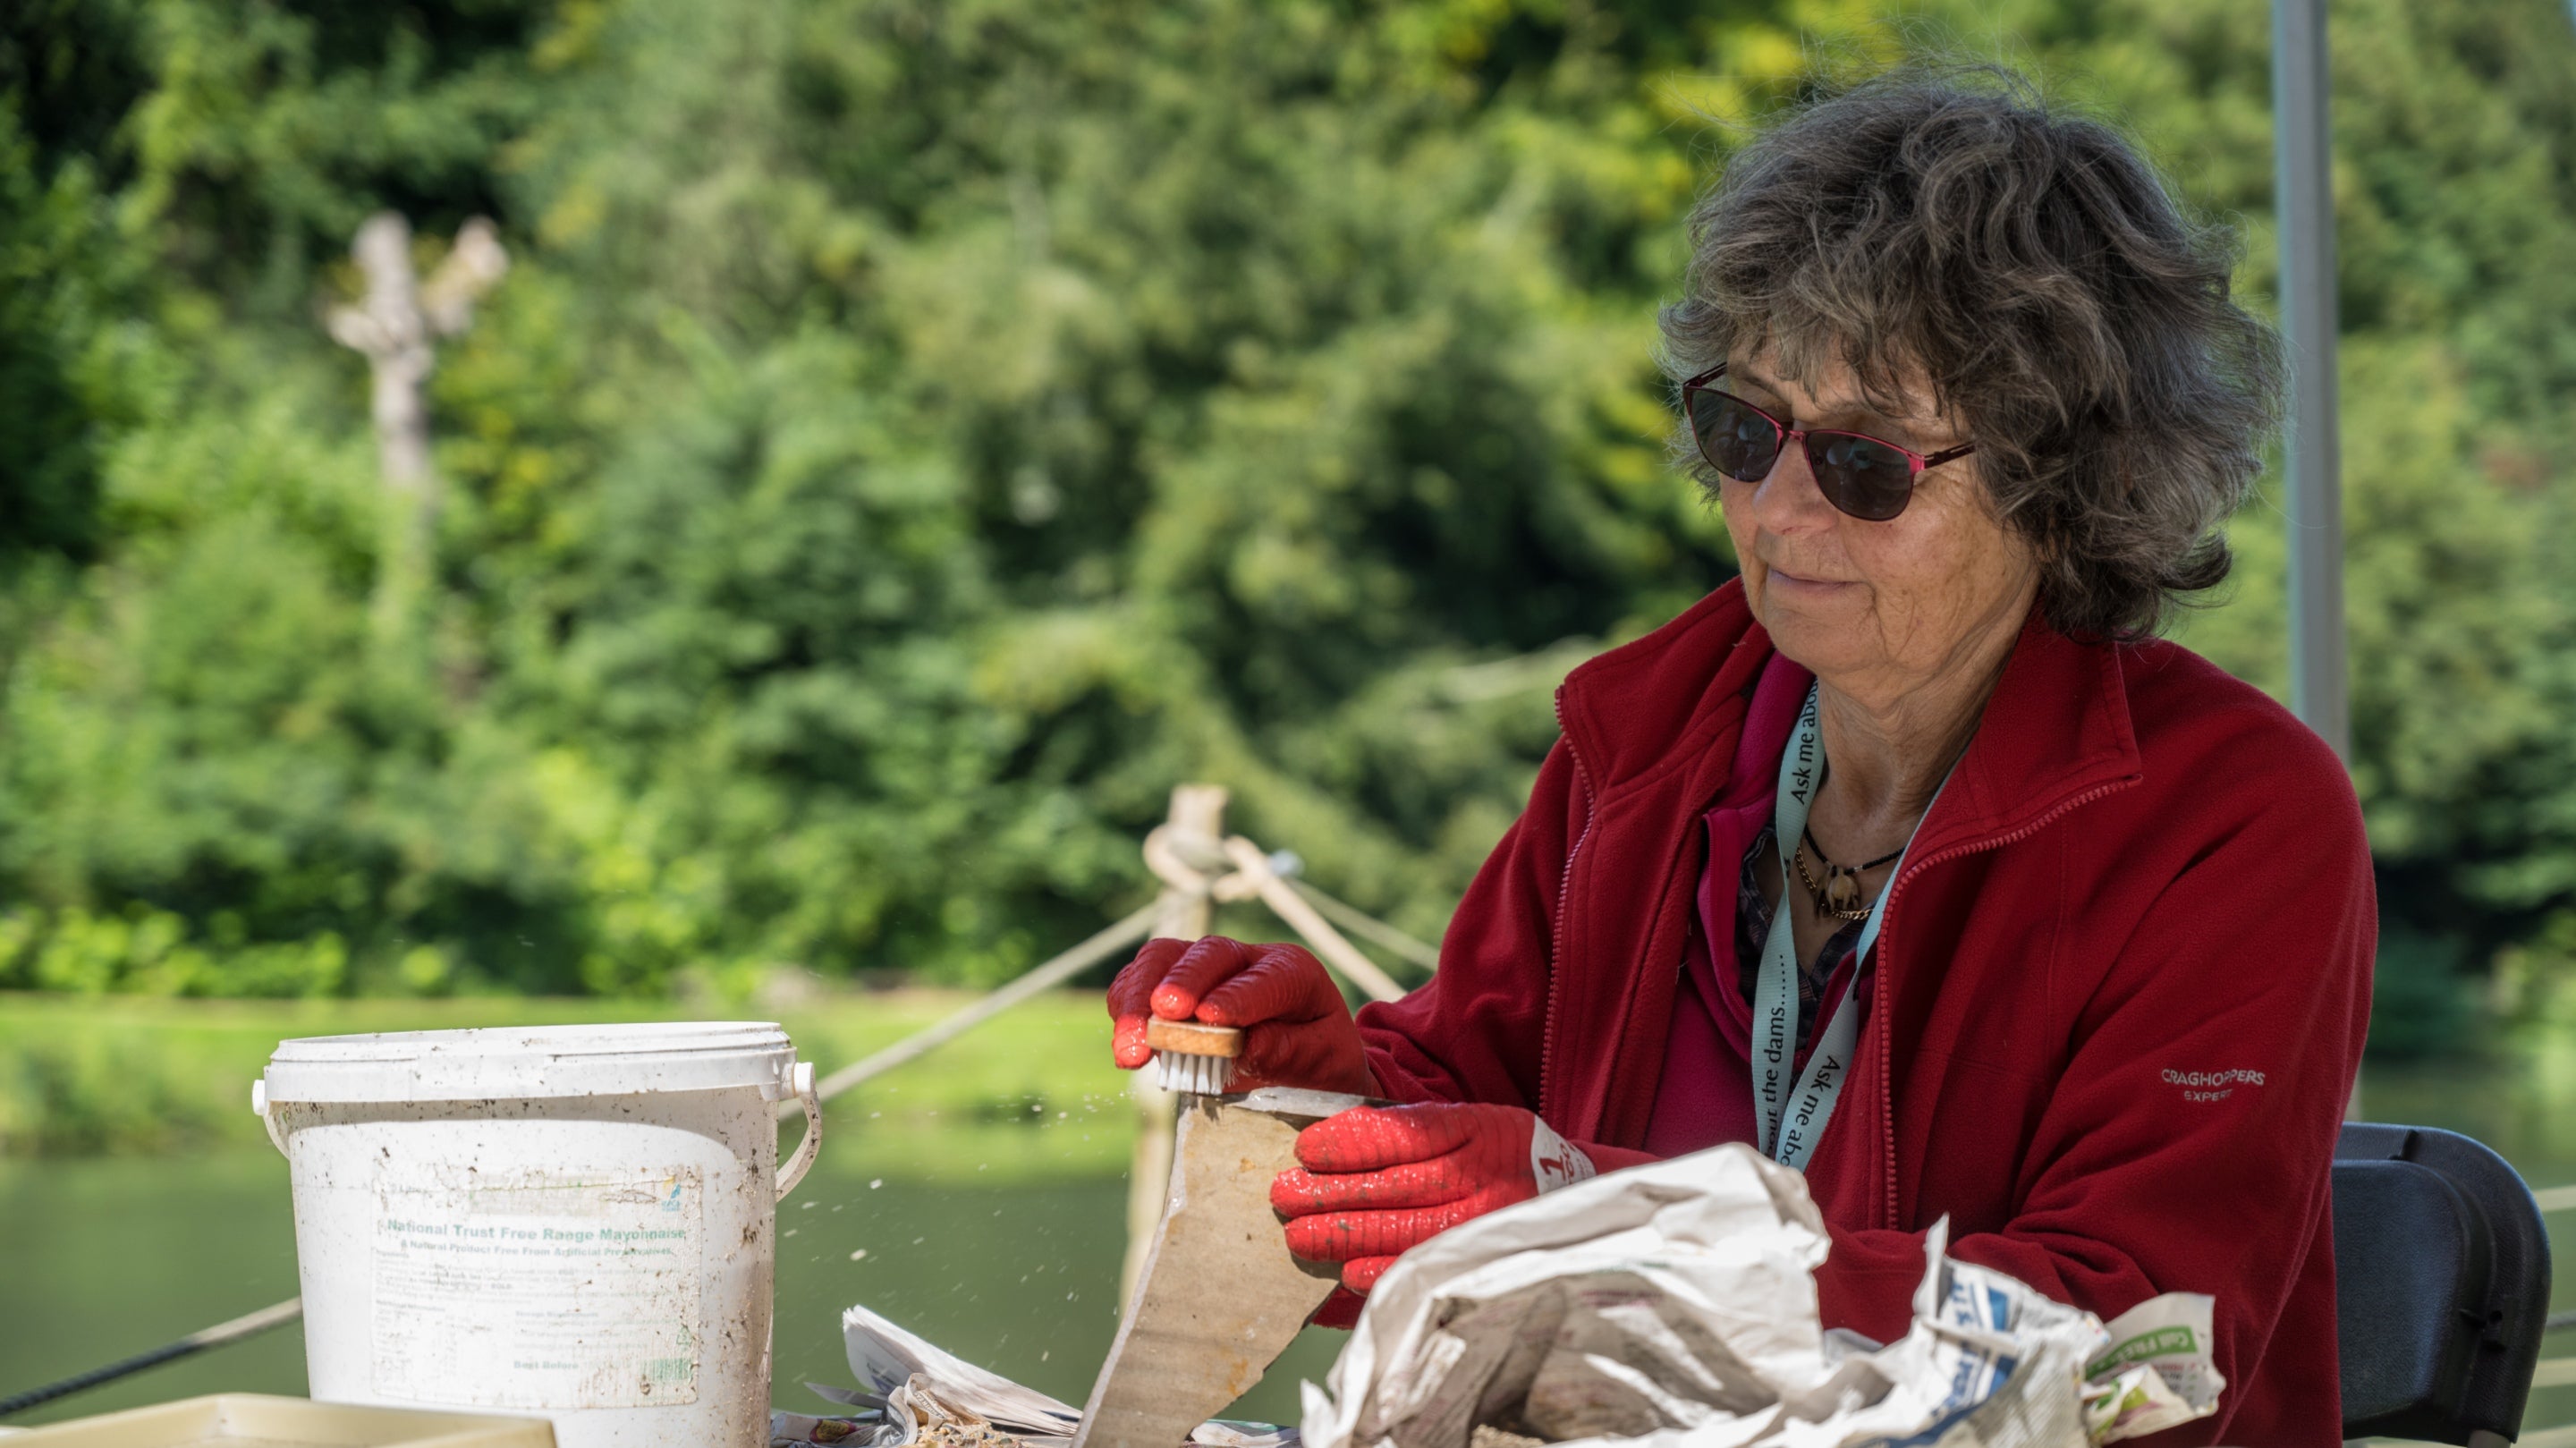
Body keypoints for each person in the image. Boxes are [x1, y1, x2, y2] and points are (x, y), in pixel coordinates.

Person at [1107, 70, 2369, 1447]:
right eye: (1743, 427)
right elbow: (1471, 1107)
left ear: (2062, 490)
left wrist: (1602, 1237)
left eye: (1865, 464)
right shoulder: (1658, 735)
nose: (1773, 511)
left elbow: (2136, 1354)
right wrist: (1320, 1087)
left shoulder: (2236, 821)